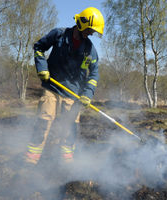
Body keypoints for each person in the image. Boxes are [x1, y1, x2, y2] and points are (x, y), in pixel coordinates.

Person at [25, 7, 105, 165]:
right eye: (90, 30)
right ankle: (30, 160)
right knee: (44, 121)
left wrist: (88, 94)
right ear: (82, 24)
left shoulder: (90, 50)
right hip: (52, 88)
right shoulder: (58, 35)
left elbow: (94, 74)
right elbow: (39, 48)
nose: (91, 34)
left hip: (74, 94)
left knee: (71, 128)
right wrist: (42, 69)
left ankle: (66, 162)